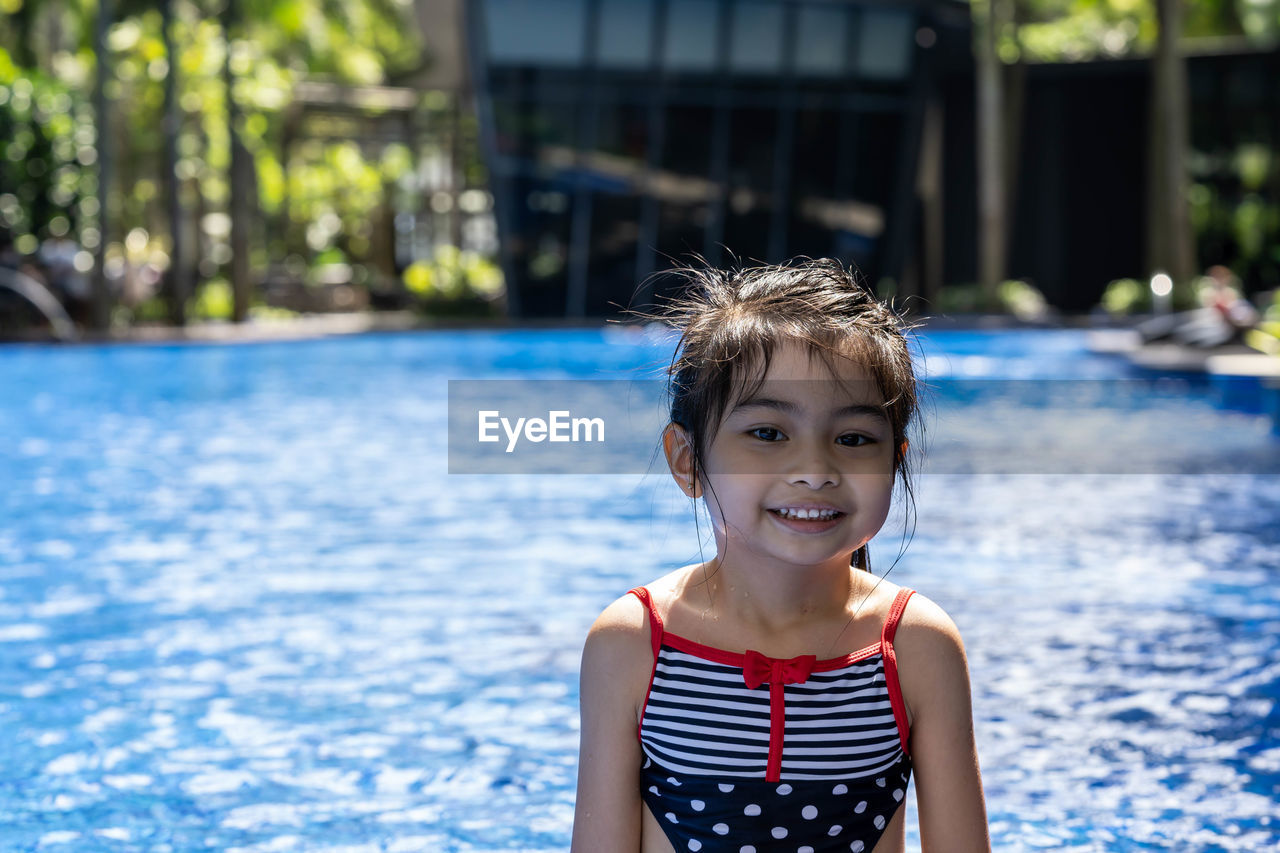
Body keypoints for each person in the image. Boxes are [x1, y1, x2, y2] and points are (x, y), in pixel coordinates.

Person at [571, 258, 991, 852]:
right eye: (768, 433)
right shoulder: (636, 642)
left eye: (853, 439)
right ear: (687, 459)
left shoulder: (913, 646)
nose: (815, 471)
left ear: (895, 460)